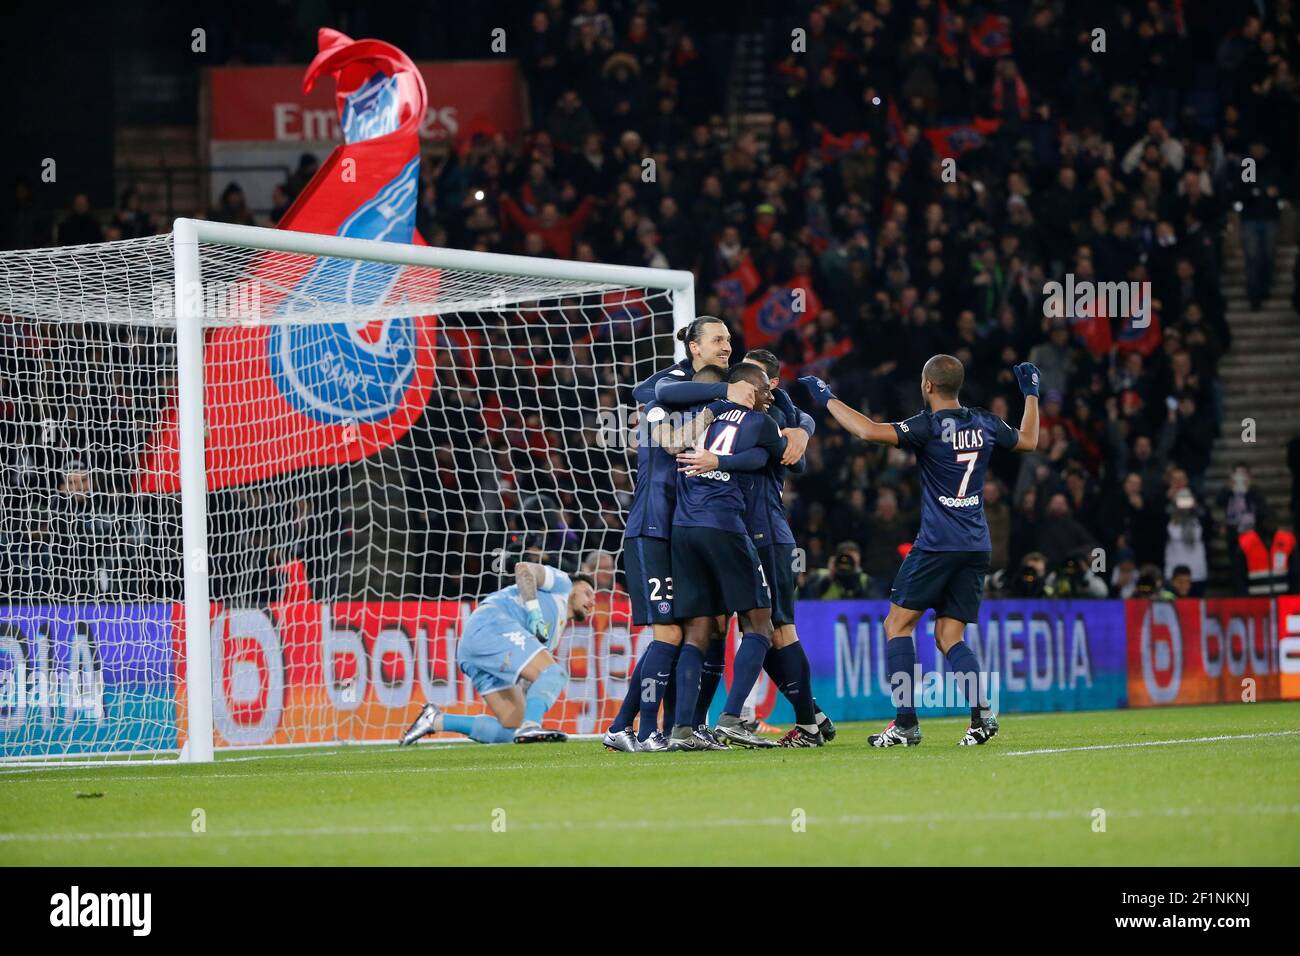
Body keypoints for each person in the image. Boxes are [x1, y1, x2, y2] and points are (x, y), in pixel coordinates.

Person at [799, 356, 1041, 747]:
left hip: (938, 544)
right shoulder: (984, 422)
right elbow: (1029, 441)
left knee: (897, 626)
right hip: (976, 545)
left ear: (927, 385)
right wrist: (1030, 394)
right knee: (949, 635)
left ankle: (906, 723)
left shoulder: (927, 426)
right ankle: (981, 715)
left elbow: (867, 431)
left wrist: (826, 397)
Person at [666, 363, 788, 750]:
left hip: (683, 529)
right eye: (766, 391)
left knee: (699, 629)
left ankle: (682, 728)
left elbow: (671, 442)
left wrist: (715, 458)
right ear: (750, 390)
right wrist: (726, 463)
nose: (770, 397)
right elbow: (776, 457)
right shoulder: (762, 423)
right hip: (725, 527)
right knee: (760, 623)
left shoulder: (701, 416)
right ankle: (732, 719)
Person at [400, 563, 594, 745]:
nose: (591, 602)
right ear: (575, 588)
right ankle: (531, 725)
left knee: (514, 729)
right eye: (587, 593)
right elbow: (524, 568)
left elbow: (530, 683)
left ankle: (436, 721)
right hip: (492, 623)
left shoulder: (553, 634)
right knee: (553, 674)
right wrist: (534, 612)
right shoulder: (563, 584)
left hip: (472, 648)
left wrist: (530, 712)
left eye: (594, 600)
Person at [798, 542, 872, 599]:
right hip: (823, 616)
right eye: (843, 560)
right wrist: (829, 577)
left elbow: (872, 604)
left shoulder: (865, 579)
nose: (846, 564)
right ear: (836, 559)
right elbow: (807, 600)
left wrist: (855, 577)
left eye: (851, 561)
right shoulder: (819, 575)